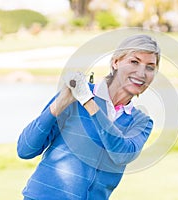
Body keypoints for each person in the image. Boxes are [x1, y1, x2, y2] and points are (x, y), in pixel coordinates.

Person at [17, 34, 161, 200]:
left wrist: (88, 102)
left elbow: (121, 154)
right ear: (116, 62)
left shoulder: (141, 122)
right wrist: (60, 104)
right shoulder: (74, 95)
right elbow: (25, 149)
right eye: (134, 62)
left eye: (150, 67)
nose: (141, 73)